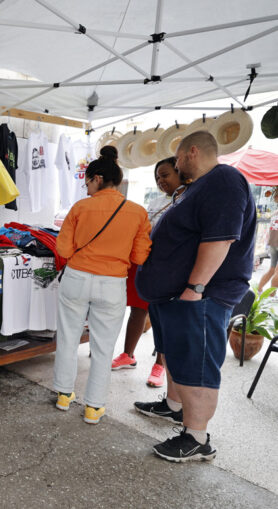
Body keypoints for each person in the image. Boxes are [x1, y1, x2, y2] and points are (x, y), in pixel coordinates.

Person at [135, 130, 255, 462]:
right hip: (176, 294)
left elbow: (220, 240)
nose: (174, 165)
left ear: (192, 152)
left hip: (202, 295)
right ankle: (175, 407)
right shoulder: (200, 187)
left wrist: (196, 287)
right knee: (176, 353)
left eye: (176, 159)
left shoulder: (224, 181)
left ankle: (197, 436)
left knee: (197, 363)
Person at [53, 146, 152, 425]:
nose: (85, 187)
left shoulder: (80, 208)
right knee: (103, 346)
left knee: (68, 337)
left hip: (76, 278)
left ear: (97, 178)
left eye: (86, 181)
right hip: (112, 283)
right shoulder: (137, 212)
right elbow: (140, 256)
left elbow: (63, 247)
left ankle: (63, 395)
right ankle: (93, 408)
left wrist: (82, 259)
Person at [112, 157, 185, 387]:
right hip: (145, 263)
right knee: (138, 309)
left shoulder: (188, 201)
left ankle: (160, 365)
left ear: (179, 172)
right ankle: (128, 355)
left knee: (163, 317)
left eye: (165, 175)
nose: (160, 181)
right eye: (157, 177)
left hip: (169, 267)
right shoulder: (155, 201)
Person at [257, 188, 278, 292]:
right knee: (276, 271)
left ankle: (259, 290)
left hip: (273, 245)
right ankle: (271, 296)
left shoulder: (275, 214)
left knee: (272, 269)